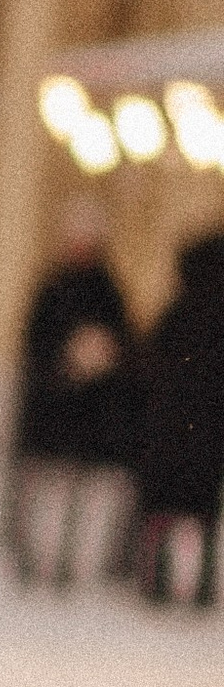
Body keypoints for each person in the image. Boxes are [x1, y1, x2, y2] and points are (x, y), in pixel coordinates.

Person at [4, 213, 135, 586]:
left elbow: (122, 342)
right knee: (39, 486)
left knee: (74, 494)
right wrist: (64, 365)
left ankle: (61, 560)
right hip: (50, 406)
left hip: (87, 411)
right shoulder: (53, 288)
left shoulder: (108, 292)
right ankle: (30, 555)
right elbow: (34, 344)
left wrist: (99, 359)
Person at [130, 222, 224, 606]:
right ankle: (198, 586)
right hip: (204, 434)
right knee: (199, 515)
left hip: (172, 433)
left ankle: (158, 582)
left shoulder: (178, 316)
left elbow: (146, 367)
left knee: (165, 513)